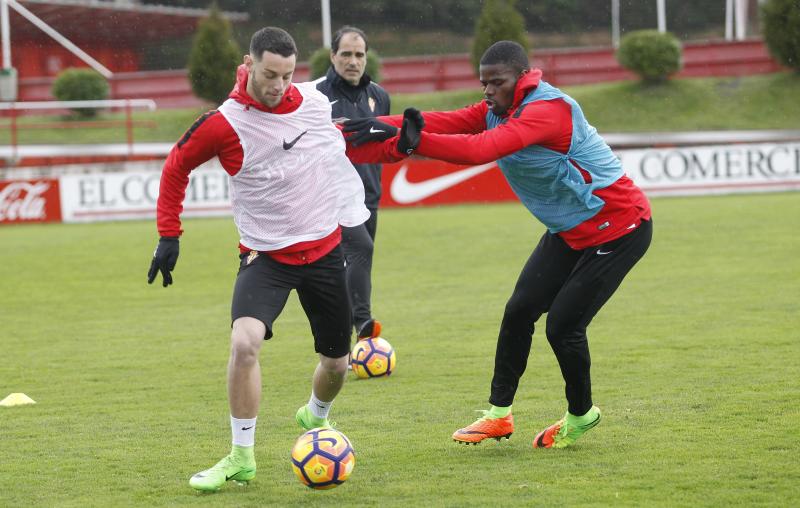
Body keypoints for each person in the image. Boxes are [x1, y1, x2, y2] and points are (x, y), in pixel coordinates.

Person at [345, 40, 652, 449]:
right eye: (483, 83)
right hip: (570, 229)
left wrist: (413, 140)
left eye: (496, 82)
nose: (487, 91)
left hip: (620, 227)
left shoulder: (549, 110)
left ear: (522, 78)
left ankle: (581, 414)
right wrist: (376, 128)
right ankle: (498, 416)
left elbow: (480, 150)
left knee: (563, 327)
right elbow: (445, 120)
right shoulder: (495, 110)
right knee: (519, 311)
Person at [146, 27, 414, 492]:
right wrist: (169, 235)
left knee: (336, 364)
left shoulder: (313, 104)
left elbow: (358, 140)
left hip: (326, 252)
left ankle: (316, 414)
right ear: (249, 65)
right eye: (270, 74)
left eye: (288, 75)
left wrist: (403, 140)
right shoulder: (223, 123)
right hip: (264, 257)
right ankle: (240, 456)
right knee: (244, 343)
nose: (279, 85)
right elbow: (176, 167)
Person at [315, 26, 391, 341]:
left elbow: (385, 147)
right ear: (333, 56)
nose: (353, 61)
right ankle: (363, 323)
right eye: (345, 54)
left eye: (359, 54)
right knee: (360, 250)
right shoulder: (315, 96)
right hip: (329, 198)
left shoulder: (379, 97)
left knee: (354, 266)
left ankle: (339, 347)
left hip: (368, 197)